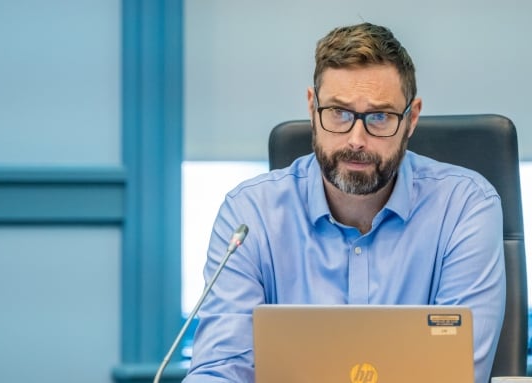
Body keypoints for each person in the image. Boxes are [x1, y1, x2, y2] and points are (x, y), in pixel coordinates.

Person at [183, 22, 505, 383]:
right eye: (338, 112)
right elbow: (220, 370)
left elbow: (457, 375)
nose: (356, 140)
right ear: (312, 108)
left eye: (380, 117)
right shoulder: (249, 216)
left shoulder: (465, 207)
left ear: (411, 119)